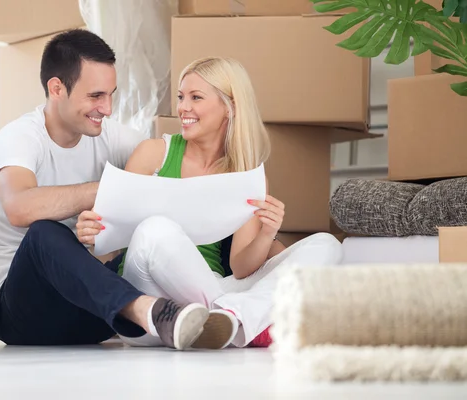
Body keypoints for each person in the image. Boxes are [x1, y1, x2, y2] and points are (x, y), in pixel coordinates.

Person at [0, 29, 232, 350]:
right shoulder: (20, 138)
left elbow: (174, 173)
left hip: (96, 315)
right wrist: (109, 189)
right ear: (57, 88)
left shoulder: (115, 138)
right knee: (44, 232)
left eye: (111, 94)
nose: (108, 108)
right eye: (96, 96)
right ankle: (150, 311)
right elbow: (19, 208)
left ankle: (224, 309)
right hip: (24, 313)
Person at [76, 57, 342, 349]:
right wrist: (92, 235)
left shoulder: (244, 174)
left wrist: (267, 233)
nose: (183, 108)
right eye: (181, 97)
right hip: (152, 306)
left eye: (196, 97)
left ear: (230, 107)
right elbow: (108, 249)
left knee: (327, 245)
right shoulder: (153, 154)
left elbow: (241, 267)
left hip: (212, 288)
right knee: (155, 229)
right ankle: (248, 322)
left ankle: (232, 318)